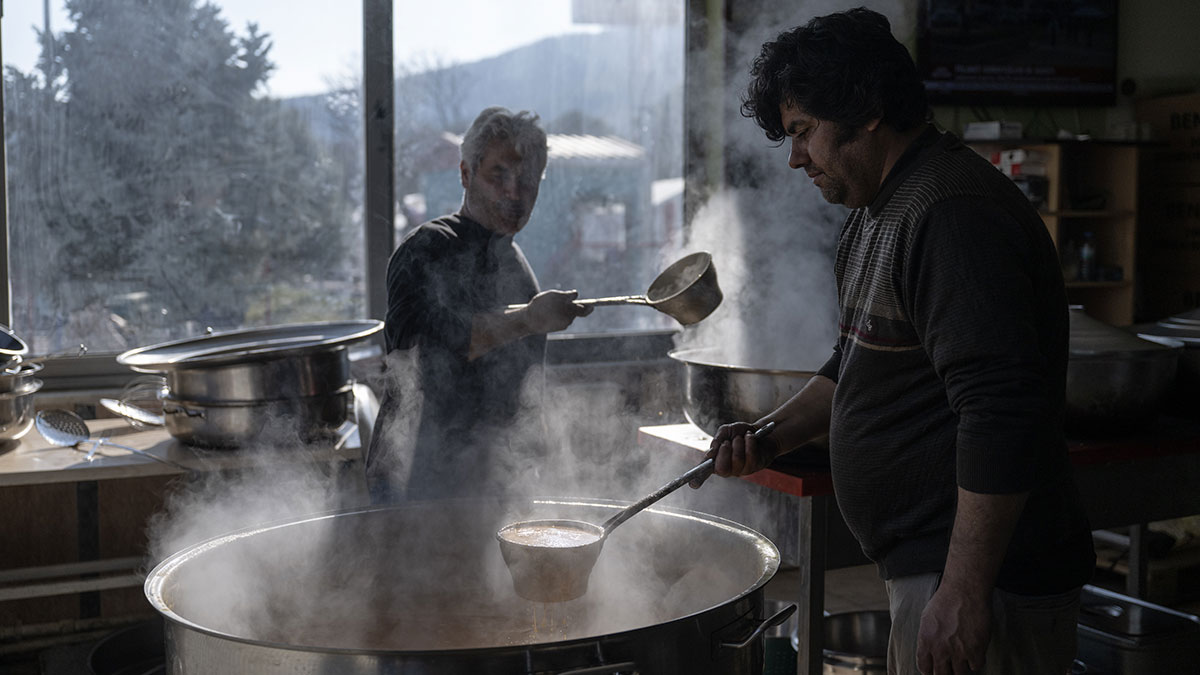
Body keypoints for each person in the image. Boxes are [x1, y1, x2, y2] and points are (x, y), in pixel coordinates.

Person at [702, 9, 1095, 675]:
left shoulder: (949, 213)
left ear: (867, 108)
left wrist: (964, 590)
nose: (796, 156)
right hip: (935, 572)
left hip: (982, 583)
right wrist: (768, 435)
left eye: (803, 132)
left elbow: (1001, 411)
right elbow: (852, 363)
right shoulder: (877, 211)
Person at [365, 107, 590, 503]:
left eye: (527, 179)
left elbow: (523, 391)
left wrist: (540, 468)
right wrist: (527, 319)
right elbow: (420, 350)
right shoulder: (426, 248)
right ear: (466, 174)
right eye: (498, 175)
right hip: (417, 486)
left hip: (491, 485)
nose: (514, 192)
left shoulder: (517, 267)